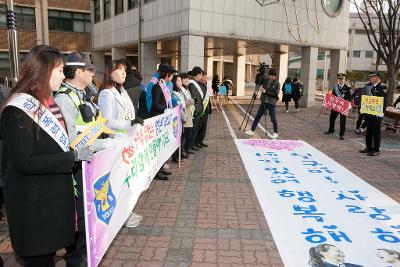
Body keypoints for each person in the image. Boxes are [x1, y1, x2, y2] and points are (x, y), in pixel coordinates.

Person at [0, 45, 94, 267]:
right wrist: (72, 157)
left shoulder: (48, 101)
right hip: (33, 208)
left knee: (48, 258)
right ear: (43, 70)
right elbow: (25, 162)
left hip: (50, 202)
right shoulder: (18, 109)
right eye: (60, 70)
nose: (64, 75)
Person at [54, 52, 116, 266]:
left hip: (94, 163)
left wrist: (112, 136)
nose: (93, 73)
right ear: (78, 71)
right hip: (78, 168)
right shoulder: (64, 98)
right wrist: (104, 144)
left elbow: (98, 123)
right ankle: (76, 258)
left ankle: (86, 252)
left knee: (91, 212)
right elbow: (71, 141)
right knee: (79, 218)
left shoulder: (87, 93)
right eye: (89, 69)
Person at [96, 60, 144, 227]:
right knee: (119, 181)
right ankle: (121, 216)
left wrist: (134, 124)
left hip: (127, 142)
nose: (124, 73)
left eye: (124, 70)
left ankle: (126, 212)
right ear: (110, 72)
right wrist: (129, 123)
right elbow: (107, 122)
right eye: (119, 70)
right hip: (115, 143)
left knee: (126, 180)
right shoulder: (106, 93)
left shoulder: (122, 90)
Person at [149, 63, 177, 179]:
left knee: (162, 146)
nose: (173, 77)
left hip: (163, 119)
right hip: (158, 119)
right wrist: (166, 110)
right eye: (172, 74)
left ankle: (160, 168)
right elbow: (155, 104)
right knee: (158, 147)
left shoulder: (164, 85)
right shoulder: (157, 86)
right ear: (167, 74)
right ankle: (157, 171)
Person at [246, 68, 280, 139]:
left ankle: (275, 132)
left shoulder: (277, 83)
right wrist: (259, 76)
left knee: (273, 118)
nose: (270, 77)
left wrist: (266, 91)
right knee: (257, 116)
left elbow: (275, 95)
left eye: (272, 76)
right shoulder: (266, 80)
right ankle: (252, 130)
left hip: (271, 103)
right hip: (264, 101)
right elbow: (258, 83)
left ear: (275, 76)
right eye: (270, 75)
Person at [359, 72, 388, 156]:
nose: (370, 79)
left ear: (376, 78)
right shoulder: (369, 86)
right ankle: (368, 147)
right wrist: (363, 108)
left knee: (376, 131)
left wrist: (381, 112)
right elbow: (366, 99)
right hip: (369, 112)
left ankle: (376, 149)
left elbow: (384, 101)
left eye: (371, 77)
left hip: (377, 114)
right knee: (369, 130)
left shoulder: (382, 87)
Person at [324, 73, 352, 140]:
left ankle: (341, 134)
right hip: (336, 105)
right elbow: (333, 96)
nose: (340, 80)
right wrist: (329, 102)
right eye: (339, 79)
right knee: (332, 118)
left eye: (342, 79)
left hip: (343, 106)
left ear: (344, 80)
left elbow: (349, 97)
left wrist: (349, 104)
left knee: (343, 121)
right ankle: (331, 130)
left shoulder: (347, 87)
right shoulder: (335, 87)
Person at [171, 74, 189, 162]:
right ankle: (176, 157)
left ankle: (179, 155)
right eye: (178, 81)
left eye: (180, 81)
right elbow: (177, 107)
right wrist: (184, 118)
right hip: (178, 119)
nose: (180, 82)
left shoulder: (179, 92)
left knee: (181, 137)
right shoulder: (173, 94)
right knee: (177, 138)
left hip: (181, 118)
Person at [187, 67, 205, 152]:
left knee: (195, 129)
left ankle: (192, 144)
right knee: (192, 129)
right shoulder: (191, 83)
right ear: (198, 74)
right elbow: (193, 97)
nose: (201, 76)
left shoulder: (195, 83)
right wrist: (196, 109)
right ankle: (189, 146)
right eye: (201, 74)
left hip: (198, 110)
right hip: (195, 110)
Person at [180, 73, 195, 155]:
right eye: (185, 78)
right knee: (184, 134)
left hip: (189, 113)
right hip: (184, 114)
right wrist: (191, 101)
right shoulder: (180, 90)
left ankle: (186, 149)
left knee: (188, 133)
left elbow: (191, 101)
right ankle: (183, 151)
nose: (187, 80)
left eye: (188, 78)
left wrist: (191, 101)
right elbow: (186, 102)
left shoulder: (187, 89)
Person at [196, 71, 210, 148]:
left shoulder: (205, 85)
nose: (205, 79)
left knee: (203, 127)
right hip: (202, 110)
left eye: (206, 77)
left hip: (206, 110)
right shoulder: (198, 86)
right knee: (199, 127)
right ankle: (197, 141)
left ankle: (201, 140)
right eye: (204, 77)